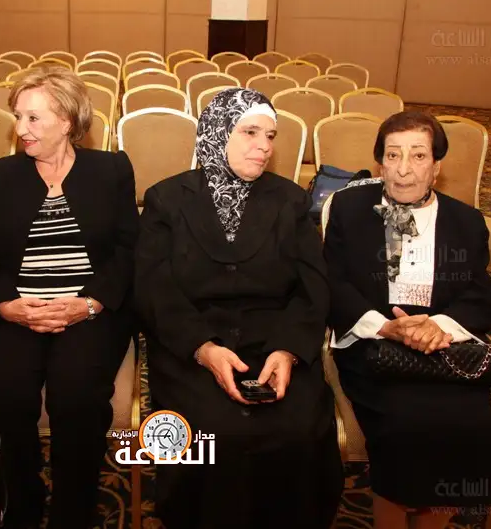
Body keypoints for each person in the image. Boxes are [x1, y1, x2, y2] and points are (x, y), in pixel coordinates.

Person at [134, 88, 343, 529]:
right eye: (250, 132)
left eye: (270, 135)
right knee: (214, 433)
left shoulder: (290, 200)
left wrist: (288, 350)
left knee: (299, 428)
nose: (264, 145)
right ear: (217, 133)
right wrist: (203, 348)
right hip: (193, 344)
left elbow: (314, 286)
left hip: (274, 342)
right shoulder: (167, 199)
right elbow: (154, 288)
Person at [0, 66, 139, 529]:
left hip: (88, 311)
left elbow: (129, 247)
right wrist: (6, 304)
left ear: (66, 121)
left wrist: (91, 303)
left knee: (77, 394)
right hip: (18, 310)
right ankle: (20, 503)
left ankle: (73, 508)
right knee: (3, 397)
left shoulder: (110, 170)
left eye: (33, 118)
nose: (21, 128)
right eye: (18, 117)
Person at [324, 111, 491, 529]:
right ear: (380, 164)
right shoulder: (348, 209)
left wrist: (439, 325)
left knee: (466, 421)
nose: (404, 169)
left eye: (418, 155)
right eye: (393, 155)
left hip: (443, 349)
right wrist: (384, 326)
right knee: (404, 422)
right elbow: (331, 283)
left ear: (436, 166)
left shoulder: (465, 221)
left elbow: (481, 298)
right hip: (374, 346)